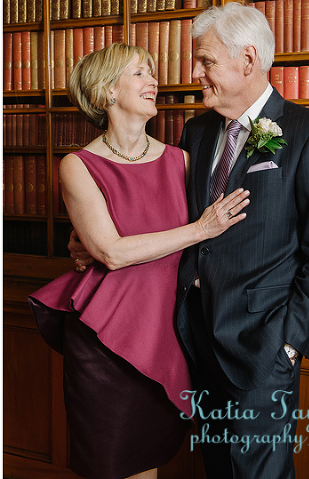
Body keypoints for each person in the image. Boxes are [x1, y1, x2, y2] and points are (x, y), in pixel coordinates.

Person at [28, 43, 250, 479]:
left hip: (169, 335)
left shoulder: (182, 161)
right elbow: (110, 252)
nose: (154, 82)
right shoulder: (78, 165)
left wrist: (202, 238)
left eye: (152, 73)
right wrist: (199, 229)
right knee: (109, 466)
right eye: (140, 73)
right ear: (106, 92)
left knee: (148, 464)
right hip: (105, 343)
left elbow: (211, 246)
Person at [172, 2, 309, 478]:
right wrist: (93, 242)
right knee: (217, 468)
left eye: (206, 61)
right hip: (195, 334)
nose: (195, 72)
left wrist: (290, 344)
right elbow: (177, 219)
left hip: (264, 344)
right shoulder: (195, 132)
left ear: (247, 60)